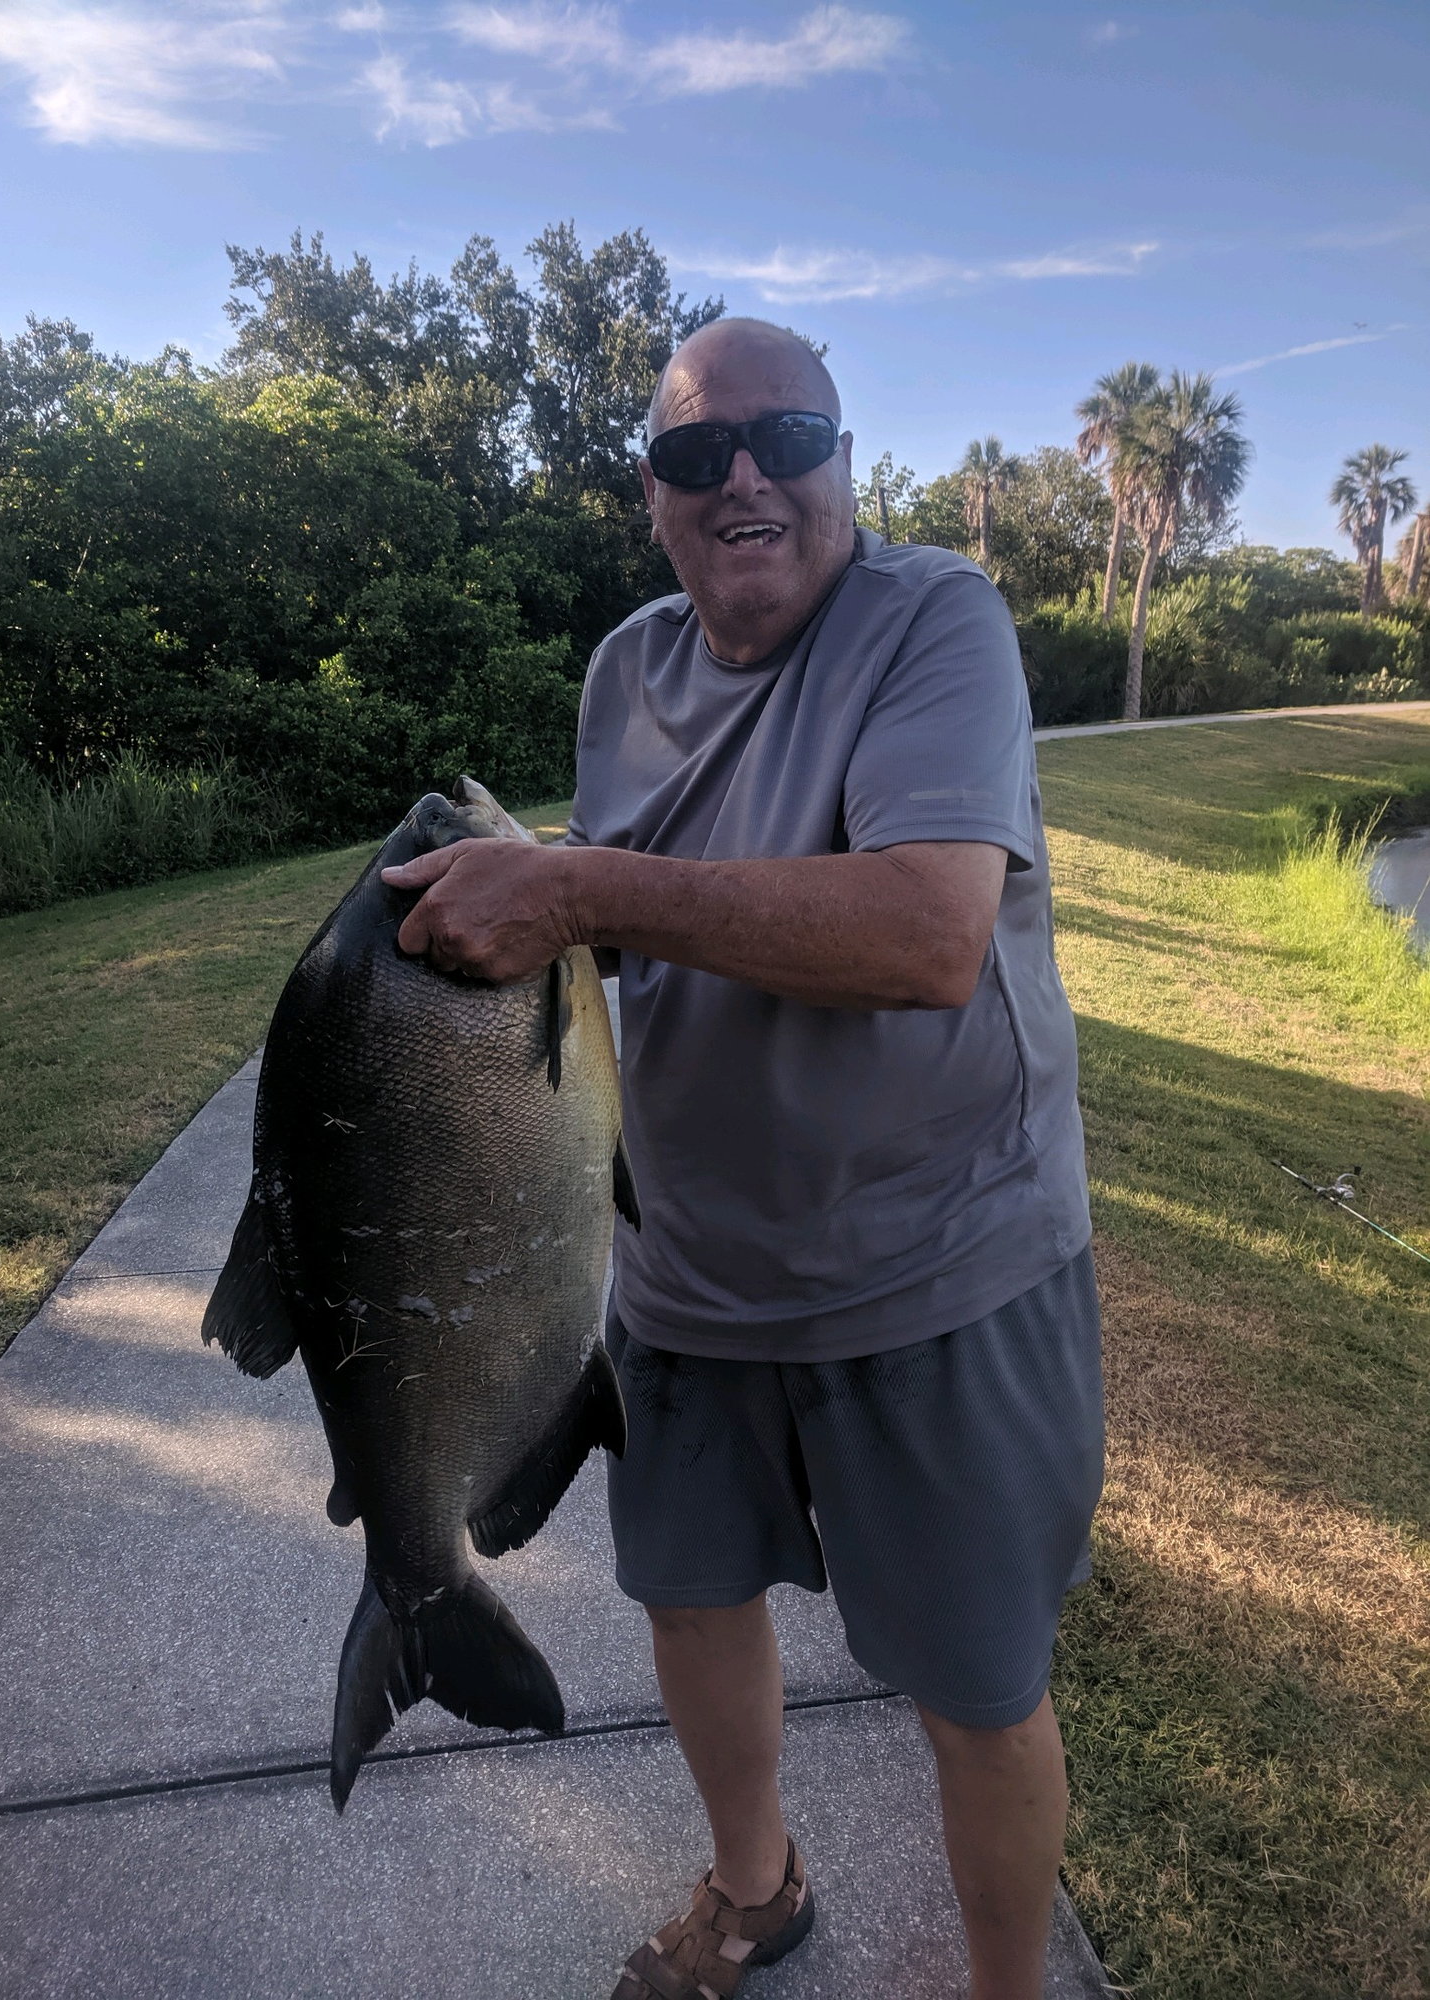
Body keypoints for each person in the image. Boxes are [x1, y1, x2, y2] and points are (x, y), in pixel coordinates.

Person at [382, 317, 1103, 2000]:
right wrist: (459, 950)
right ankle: (753, 1888)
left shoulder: (939, 621)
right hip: (691, 1271)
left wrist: (574, 890)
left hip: (942, 1259)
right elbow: (618, 950)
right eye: (701, 456)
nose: (748, 479)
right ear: (653, 495)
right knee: (695, 1604)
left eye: (787, 438)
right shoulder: (626, 669)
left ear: (845, 457)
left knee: (978, 1683)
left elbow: (931, 933)